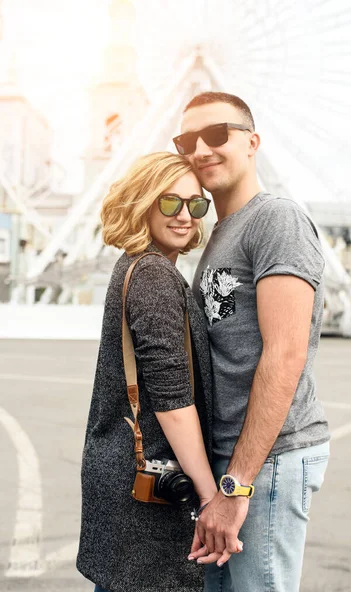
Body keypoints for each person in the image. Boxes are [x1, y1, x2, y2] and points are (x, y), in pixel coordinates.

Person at [173, 92, 330, 592]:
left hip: (267, 462)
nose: (200, 149)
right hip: (232, 462)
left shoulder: (275, 220)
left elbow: (285, 354)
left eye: (217, 134)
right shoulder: (221, 232)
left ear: (252, 142)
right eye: (186, 140)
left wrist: (237, 485)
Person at [76, 151, 239, 592]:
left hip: (123, 475)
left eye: (196, 204)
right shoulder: (152, 274)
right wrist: (210, 497)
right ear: (143, 202)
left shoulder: (137, 265)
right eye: (170, 203)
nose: (185, 215)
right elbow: (172, 400)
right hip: (147, 489)